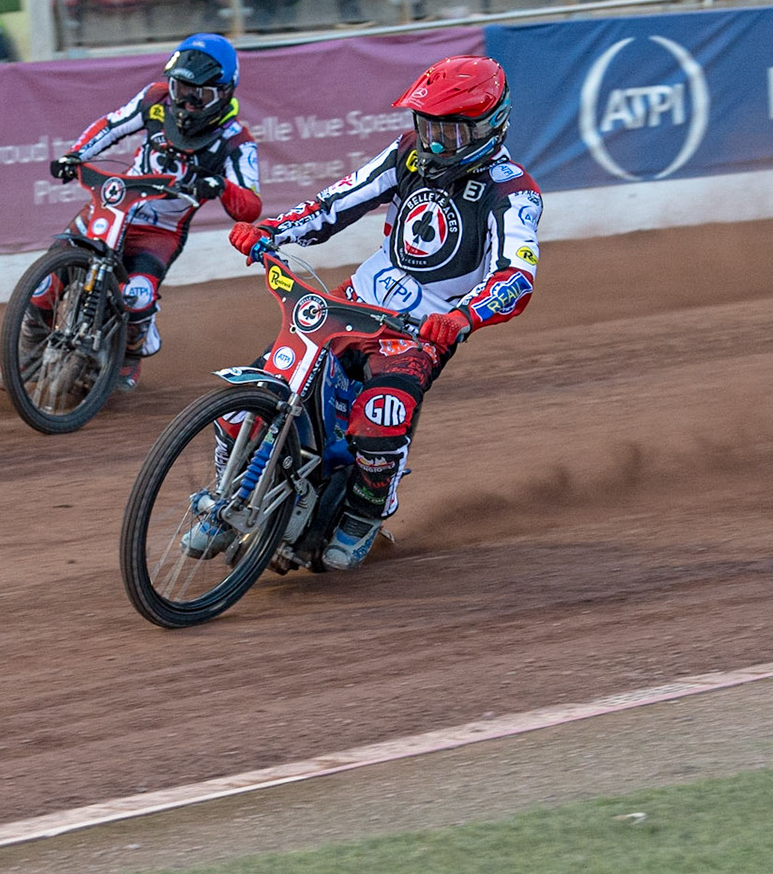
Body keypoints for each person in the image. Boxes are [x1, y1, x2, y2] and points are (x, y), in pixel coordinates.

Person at [223, 55, 541, 570]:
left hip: (420, 330)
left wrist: (462, 319)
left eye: (452, 133)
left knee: (380, 420)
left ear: (490, 126)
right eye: (428, 126)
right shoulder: (408, 154)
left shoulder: (512, 191)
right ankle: (229, 487)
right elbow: (337, 202)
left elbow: (515, 276)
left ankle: (365, 513)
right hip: (352, 300)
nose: (436, 144)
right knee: (253, 394)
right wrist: (273, 231)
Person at [41, 34, 263, 391]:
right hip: (115, 205)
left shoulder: (236, 140)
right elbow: (111, 125)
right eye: (180, 89)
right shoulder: (155, 98)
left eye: (198, 95)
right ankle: (29, 347)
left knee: (137, 296)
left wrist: (219, 186)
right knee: (43, 282)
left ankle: (129, 355)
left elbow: (250, 206)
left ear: (223, 93)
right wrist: (75, 155)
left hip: (161, 231)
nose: (186, 102)